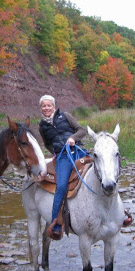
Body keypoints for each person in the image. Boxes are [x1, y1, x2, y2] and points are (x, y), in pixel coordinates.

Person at [38, 94, 87, 240]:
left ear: (54, 106)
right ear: (41, 108)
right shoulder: (42, 126)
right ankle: (56, 223)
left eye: (49, 105)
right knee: (61, 186)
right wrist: (54, 152)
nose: (47, 108)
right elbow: (47, 143)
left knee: (104, 171)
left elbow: (81, 130)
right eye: (44, 106)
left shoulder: (65, 116)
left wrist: (73, 138)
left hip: (78, 151)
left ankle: (120, 213)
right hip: (63, 157)